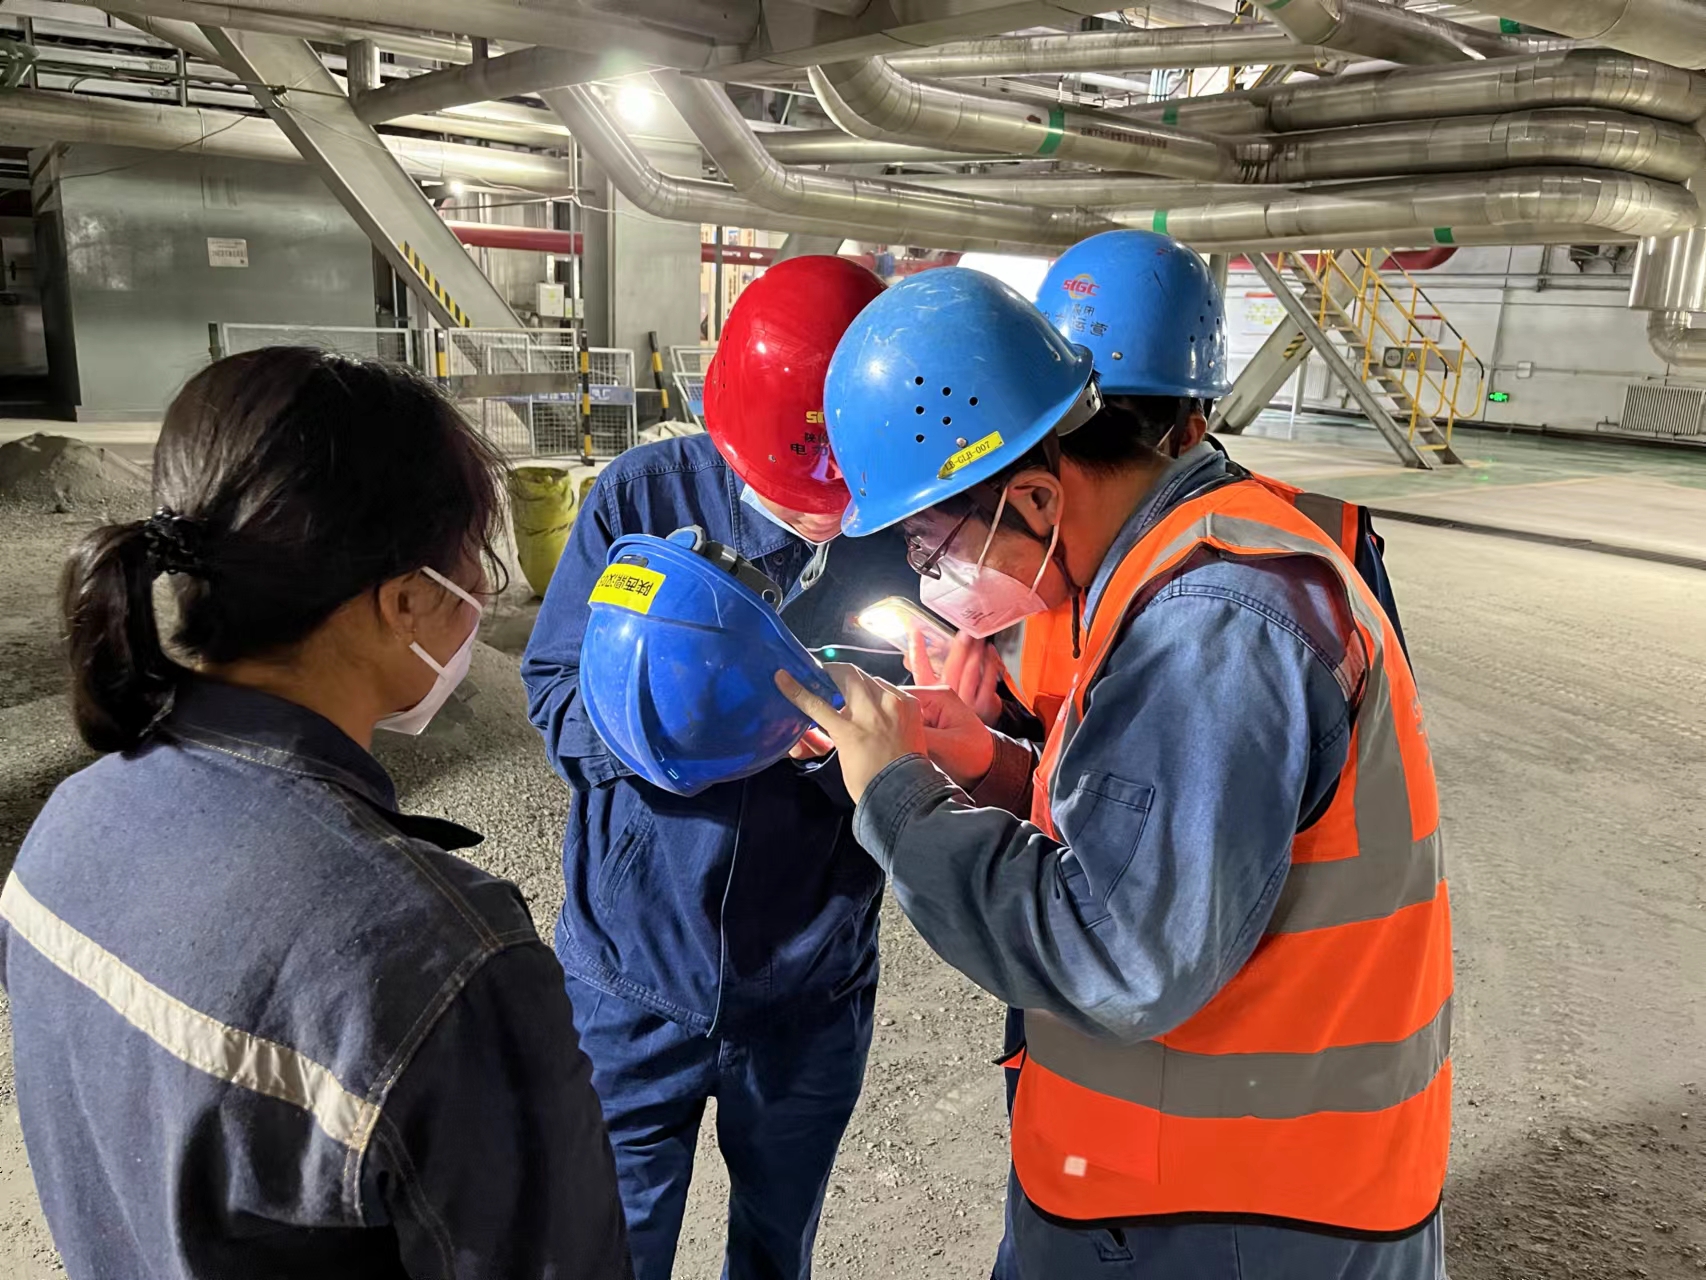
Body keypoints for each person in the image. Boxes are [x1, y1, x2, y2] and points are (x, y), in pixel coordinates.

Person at [780, 267, 1452, 1279]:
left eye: (928, 542)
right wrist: (990, 766)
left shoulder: (1211, 622)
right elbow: (1154, 832)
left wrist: (897, 797)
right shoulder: (1162, 568)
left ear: (1035, 496)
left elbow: (1119, 953)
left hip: (1242, 1214)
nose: (929, 574)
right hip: (1195, 1185)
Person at [0, 348, 631, 1279]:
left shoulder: (68, 827)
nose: (485, 588)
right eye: (476, 555)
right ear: (406, 599)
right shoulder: (441, 962)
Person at [521, 256, 916, 1280]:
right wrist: (703, 725)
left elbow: (950, 728)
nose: (825, 516)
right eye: (797, 494)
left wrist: (879, 751)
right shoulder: (642, 501)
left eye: (845, 493)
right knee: (608, 1250)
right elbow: (555, 693)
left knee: (776, 1251)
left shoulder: (907, 527)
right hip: (630, 980)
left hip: (809, 989)